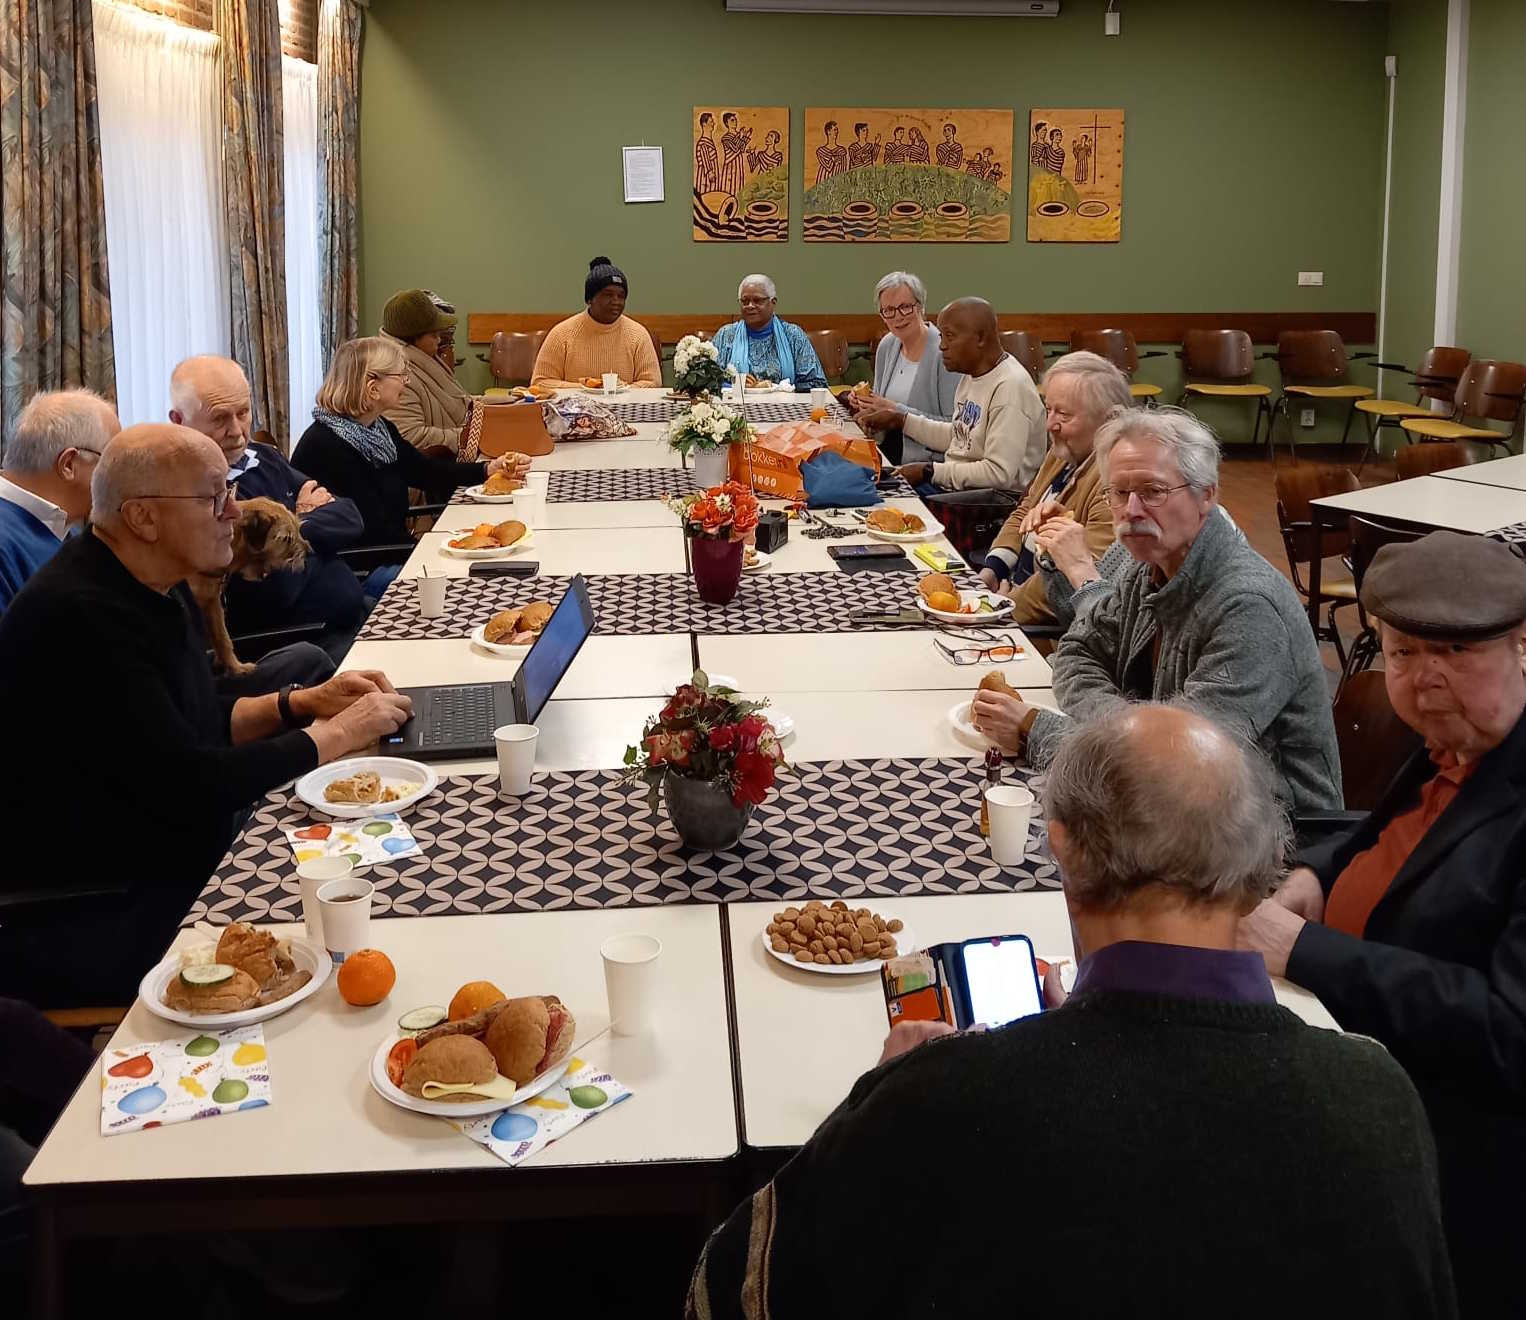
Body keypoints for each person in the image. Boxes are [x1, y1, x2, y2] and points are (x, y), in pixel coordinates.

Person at [687, 704, 1456, 1319]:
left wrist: (878, 1095)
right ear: (1259, 867)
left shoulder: (942, 1100)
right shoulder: (1379, 1100)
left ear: (1063, 847)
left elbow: (727, 1293)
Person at [0, 424, 414, 1006]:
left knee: (383, 851)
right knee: (368, 907)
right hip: (106, 900)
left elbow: (191, 718)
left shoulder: (150, 581)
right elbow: (190, 782)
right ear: (143, 517)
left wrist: (300, 703)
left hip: (170, 840)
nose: (234, 512)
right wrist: (338, 733)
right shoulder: (82, 615)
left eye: (230, 493)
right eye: (213, 497)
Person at [1238, 531, 1526, 1318]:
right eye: (1402, 652)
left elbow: (1510, 1034)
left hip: (1455, 1153)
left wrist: (1308, 950)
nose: (1424, 678)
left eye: (1456, 651)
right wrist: (1316, 875)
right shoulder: (1457, 741)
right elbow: (1387, 837)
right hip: (1351, 1052)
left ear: (1521, 646)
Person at [971, 407, 1342, 812]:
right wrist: (1127, 731)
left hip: (1266, 831)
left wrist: (1034, 729)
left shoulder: (1250, 608)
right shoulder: (1147, 565)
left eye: (1152, 491)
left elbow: (1171, 767)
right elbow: (1078, 652)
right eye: (1118, 493)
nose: (1131, 510)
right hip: (1171, 806)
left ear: (1206, 496)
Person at [170, 355, 376, 651]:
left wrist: (283, 530)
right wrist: (301, 518)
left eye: (243, 413)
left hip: (355, 611)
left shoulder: (263, 456)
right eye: (219, 418)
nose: (237, 431)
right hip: (305, 641)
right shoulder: (196, 493)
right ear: (179, 421)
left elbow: (350, 517)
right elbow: (275, 590)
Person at [293, 337, 527, 552]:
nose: (407, 382)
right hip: (367, 564)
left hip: (394, 549)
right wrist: (430, 551)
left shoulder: (378, 428)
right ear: (373, 388)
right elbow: (369, 532)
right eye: (401, 375)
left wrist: (487, 469)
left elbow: (423, 471)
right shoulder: (326, 447)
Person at [976, 352, 1131, 624]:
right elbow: (1026, 508)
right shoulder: (1064, 450)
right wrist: (995, 566)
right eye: (1048, 409)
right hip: (1011, 593)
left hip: (1042, 628)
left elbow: (1075, 582)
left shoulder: (1116, 485)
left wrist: (1005, 608)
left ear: (1108, 421)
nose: (1050, 425)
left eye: (1064, 414)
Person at [859, 297, 1045, 495]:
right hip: (956, 490)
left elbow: (998, 474)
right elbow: (960, 437)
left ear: (980, 338)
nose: (942, 346)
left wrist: (929, 471)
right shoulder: (971, 375)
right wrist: (901, 420)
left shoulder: (1010, 387)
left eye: (950, 336)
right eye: (941, 337)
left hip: (988, 501)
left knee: (874, 496)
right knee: (865, 482)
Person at [0, 387, 118, 610]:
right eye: (112, 462)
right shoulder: (6, 544)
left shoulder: (63, 528)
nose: (118, 478)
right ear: (69, 465)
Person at [843, 272, 961, 467]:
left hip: (926, 465)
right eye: (888, 310)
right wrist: (865, 404)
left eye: (905, 307)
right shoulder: (887, 345)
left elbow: (955, 428)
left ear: (920, 306)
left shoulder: (944, 353)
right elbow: (881, 410)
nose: (898, 317)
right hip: (883, 451)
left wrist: (896, 411)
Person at [530, 257, 661, 390]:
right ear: (590, 299)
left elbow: (652, 382)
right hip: (575, 403)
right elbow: (540, 382)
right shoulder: (561, 334)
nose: (616, 301)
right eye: (608, 295)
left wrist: (619, 391)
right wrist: (588, 388)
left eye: (621, 296)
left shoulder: (638, 335)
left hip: (625, 403)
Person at [378, 288, 474, 457]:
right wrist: (472, 437)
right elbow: (411, 436)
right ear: (412, 337)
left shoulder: (424, 358)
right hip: (437, 465)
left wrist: (507, 402)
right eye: (434, 335)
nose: (439, 340)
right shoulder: (395, 376)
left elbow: (461, 400)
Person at [710, 275, 829, 392]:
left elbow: (817, 383)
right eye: (745, 301)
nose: (750, 306)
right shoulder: (726, 335)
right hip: (737, 404)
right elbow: (707, 381)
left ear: (773, 302)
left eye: (757, 300)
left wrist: (774, 387)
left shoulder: (793, 335)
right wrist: (739, 384)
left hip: (785, 403)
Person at [814, 120, 847, 185]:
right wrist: (834, 159)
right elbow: (828, 167)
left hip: (837, 180)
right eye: (834, 130)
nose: (836, 132)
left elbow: (844, 168)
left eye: (837, 130)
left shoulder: (841, 150)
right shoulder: (821, 151)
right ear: (828, 131)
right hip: (824, 179)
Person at [694, 112, 719, 193]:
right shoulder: (703, 143)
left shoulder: (708, 141)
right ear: (704, 124)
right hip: (706, 180)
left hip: (711, 179)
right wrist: (710, 172)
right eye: (711, 122)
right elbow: (706, 160)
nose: (713, 124)